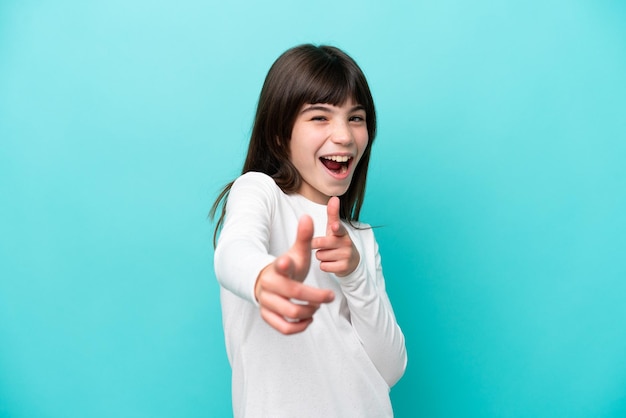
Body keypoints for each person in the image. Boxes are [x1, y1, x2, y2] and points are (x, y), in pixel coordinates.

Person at [211, 44, 407, 418]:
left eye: (356, 118)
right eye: (320, 117)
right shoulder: (259, 191)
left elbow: (391, 368)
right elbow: (233, 253)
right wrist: (264, 278)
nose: (345, 136)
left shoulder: (360, 236)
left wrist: (354, 274)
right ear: (280, 134)